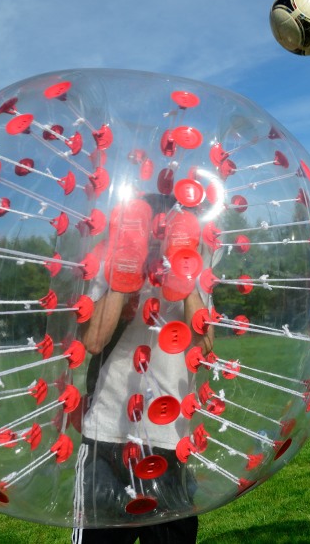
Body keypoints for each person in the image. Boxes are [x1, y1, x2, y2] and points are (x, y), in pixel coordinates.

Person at [77, 193, 214, 543]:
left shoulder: (195, 271)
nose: (159, 237)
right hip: (105, 436)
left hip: (167, 438)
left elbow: (205, 346)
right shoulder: (112, 263)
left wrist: (182, 276)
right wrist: (126, 270)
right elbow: (93, 340)